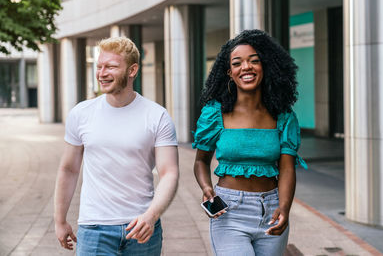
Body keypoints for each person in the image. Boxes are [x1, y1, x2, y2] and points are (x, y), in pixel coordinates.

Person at [54, 36, 179, 256]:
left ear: (132, 70)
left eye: (110, 67)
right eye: (99, 66)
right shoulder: (81, 114)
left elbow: (169, 173)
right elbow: (68, 169)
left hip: (141, 227)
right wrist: (60, 219)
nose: (102, 73)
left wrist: (151, 216)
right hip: (94, 227)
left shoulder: (157, 115)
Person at [192, 29, 307, 256]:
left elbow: (286, 169)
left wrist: (284, 207)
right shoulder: (214, 114)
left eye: (254, 61)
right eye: (237, 63)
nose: (246, 67)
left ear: (266, 67)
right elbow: (200, 162)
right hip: (229, 211)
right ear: (230, 72)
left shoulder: (283, 116)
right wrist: (207, 189)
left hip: (272, 209)